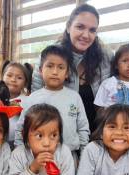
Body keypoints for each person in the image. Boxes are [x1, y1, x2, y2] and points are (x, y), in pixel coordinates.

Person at [31, 4, 111, 132]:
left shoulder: (105, 57)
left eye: (92, 30)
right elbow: (35, 103)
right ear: (68, 27)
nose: (86, 35)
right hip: (58, 137)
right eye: (80, 27)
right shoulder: (49, 57)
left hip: (98, 136)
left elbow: (118, 90)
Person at [15, 45, 89, 163]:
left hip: (70, 158)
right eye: (49, 66)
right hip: (38, 158)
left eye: (60, 67)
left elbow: (83, 129)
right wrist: (21, 156)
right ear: (40, 70)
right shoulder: (33, 98)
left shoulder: (74, 97)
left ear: (67, 73)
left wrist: (84, 159)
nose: (55, 72)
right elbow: (21, 129)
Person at [9, 103, 82, 175]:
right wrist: (33, 168)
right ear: (25, 135)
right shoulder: (18, 155)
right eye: (39, 135)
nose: (47, 143)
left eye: (53, 135)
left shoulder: (63, 152)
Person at [94, 43, 129, 124]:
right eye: (125, 61)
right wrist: (107, 120)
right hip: (111, 125)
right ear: (116, 64)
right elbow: (99, 106)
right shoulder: (108, 84)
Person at [1, 61, 33, 146]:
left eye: (19, 78)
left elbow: (32, 121)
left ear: (25, 83)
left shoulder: (28, 100)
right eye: (9, 75)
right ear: (2, 77)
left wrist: (22, 113)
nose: (13, 80)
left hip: (18, 143)